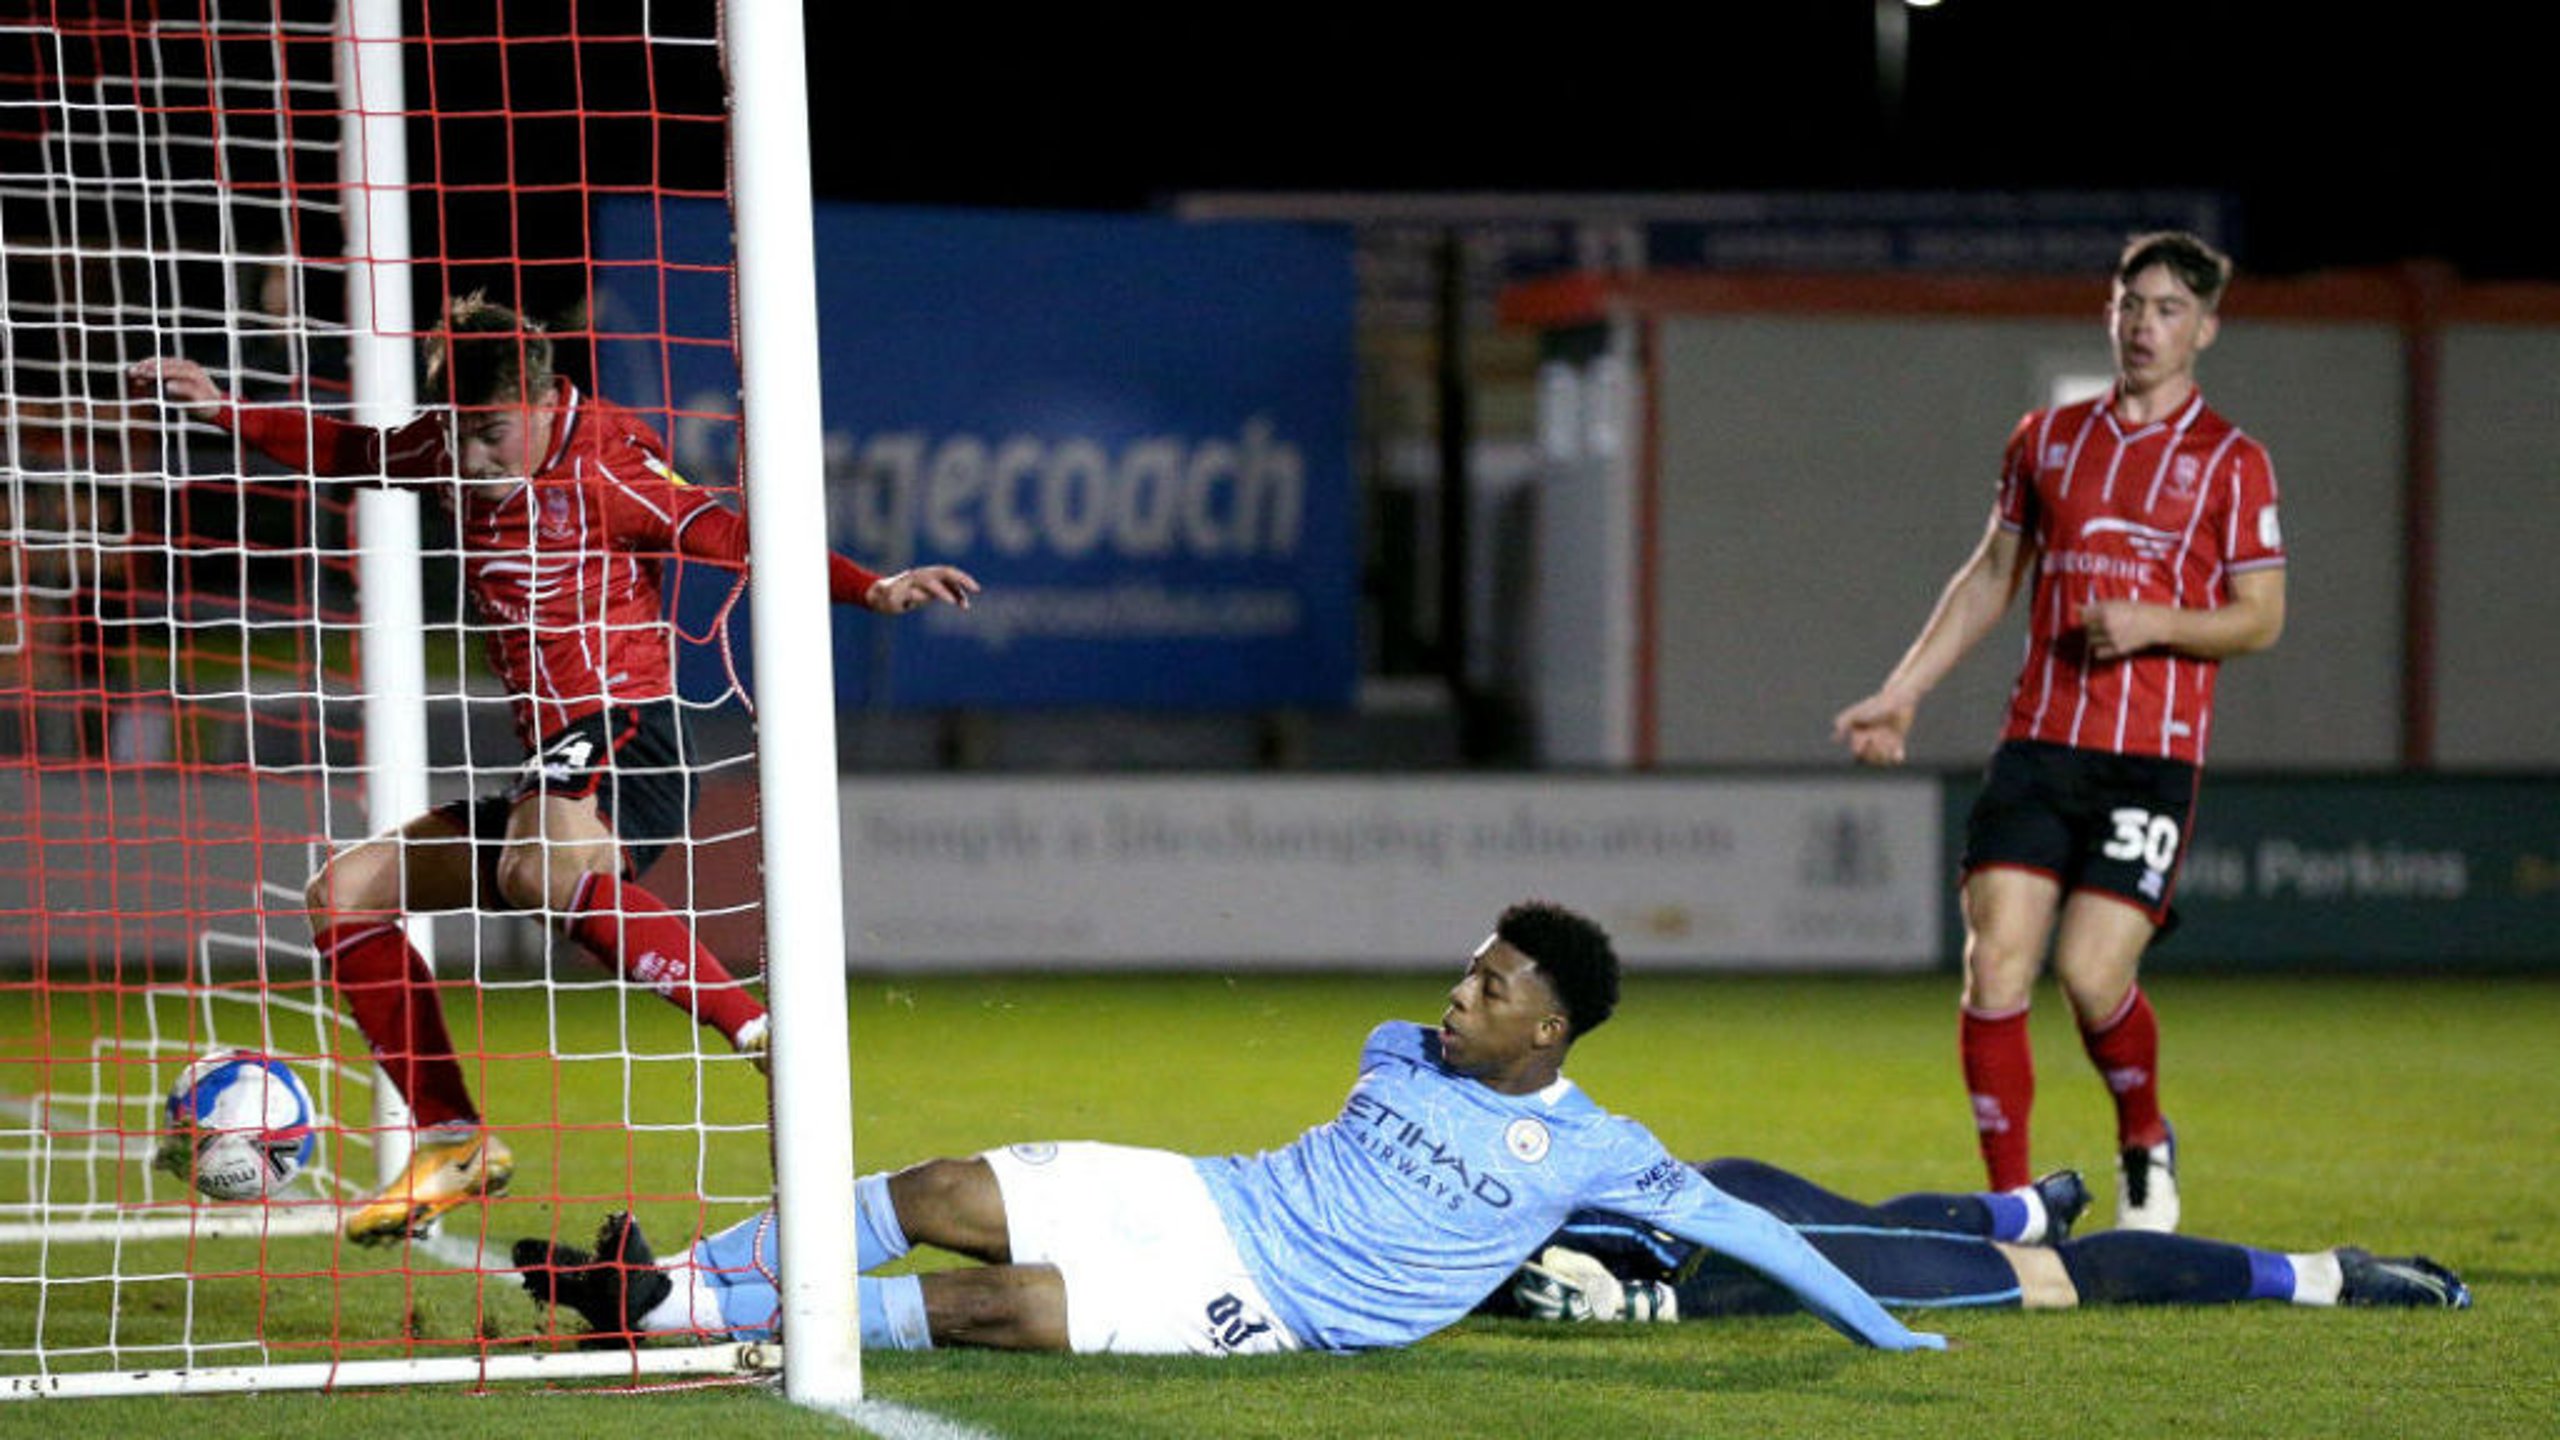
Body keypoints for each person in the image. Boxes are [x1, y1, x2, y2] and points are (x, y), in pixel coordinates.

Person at [128, 296, 979, 1246]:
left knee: (539, 869)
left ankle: (761, 1036)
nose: (472, 459)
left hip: (630, 735)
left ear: (539, 402)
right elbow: (345, 449)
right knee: (346, 895)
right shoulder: (447, 453)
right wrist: (224, 408)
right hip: (552, 767)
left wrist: (872, 585)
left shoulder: (606, 460)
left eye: (490, 435)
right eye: (456, 433)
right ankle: (455, 1136)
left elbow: (731, 536)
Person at [514, 901, 1949, 1357]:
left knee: (992, 1306)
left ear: (1548, 1030)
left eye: (1490, 985)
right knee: (940, 1184)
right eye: (1469, 969)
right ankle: (671, 1285)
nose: (1456, 994)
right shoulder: (1400, 1049)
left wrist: (1885, 1331)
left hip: (1263, 1299)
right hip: (1211, 1194)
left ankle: (688, 1319)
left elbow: (1752, 1227)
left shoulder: (1599, 1151)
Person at [1830, 231, 2287, 1231]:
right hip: (2041, 742)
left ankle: (2142, 1137)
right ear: (2108, 312)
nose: (2143, 326)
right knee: (1994, 963)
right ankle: (2011, 1211)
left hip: (2151, 760)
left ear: (2204, 329)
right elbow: (1993, 574)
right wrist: (1901, 692)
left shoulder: (2233, 464)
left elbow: (2261, 616)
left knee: (2088, 972)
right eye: (2130, 304)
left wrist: (2158, 622)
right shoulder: (2045, 439)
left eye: (2167, 310)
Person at [1495, 1156, 2470, 1322]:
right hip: (1717, 1206)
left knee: (2055, 1284)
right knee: (1876, 1224)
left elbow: (1773, 1264)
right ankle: (2020, 1206)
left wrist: (1646, 1306)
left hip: (1739, 1232)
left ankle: (2322, 1277)